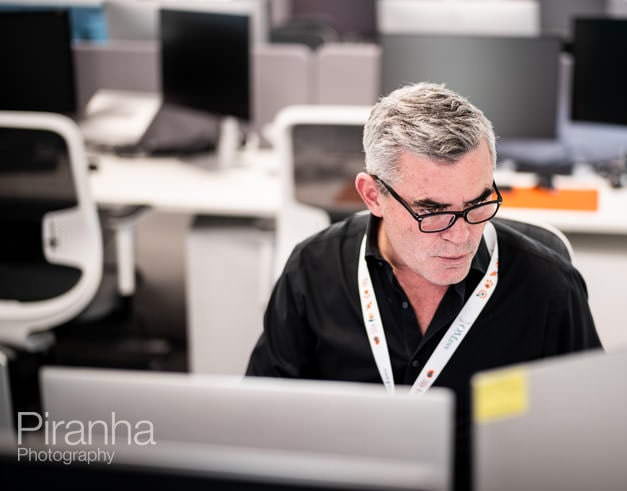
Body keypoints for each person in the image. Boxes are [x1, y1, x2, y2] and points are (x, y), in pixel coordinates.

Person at [246, 82, 602, 490]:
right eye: (433, 212)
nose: (461, 237)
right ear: (373, 195)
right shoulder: (313, 269)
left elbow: (591, 438)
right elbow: (262, 419)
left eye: (478, 204)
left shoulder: (548, 288)